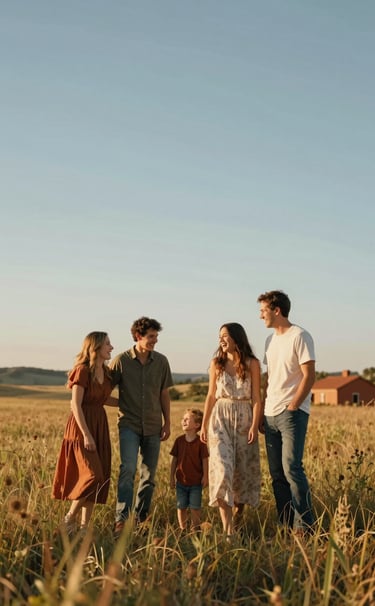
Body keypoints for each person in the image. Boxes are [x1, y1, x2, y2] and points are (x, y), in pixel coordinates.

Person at [257, 290, 315, 533]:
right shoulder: (270, 341)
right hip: (270, 414)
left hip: (292, 413)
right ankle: (286, 525)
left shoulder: (300, 335)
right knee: (277, 474)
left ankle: (306, 526)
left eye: (263, 311)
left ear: (276, 310)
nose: (261, 316)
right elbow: (269, 378)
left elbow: (308, 375)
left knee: (292, 468)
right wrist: (262, 411)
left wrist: (293, 405)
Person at [110, 316, 173, 537]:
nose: (155, 340)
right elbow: (103, 391)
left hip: (154, 425)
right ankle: (121, 519)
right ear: (138, 336)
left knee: (149, 475)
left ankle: (141, 518)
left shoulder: (162, 361)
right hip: (128, 424)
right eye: (151, 337)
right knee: (127, 469)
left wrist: (168, 422)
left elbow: (164, 394)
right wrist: (122, 403)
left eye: (156, 336)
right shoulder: (120, 361)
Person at [52, 331, 118, 534]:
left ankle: (83, 528)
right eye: (108, 344)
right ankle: (69, 519)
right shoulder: (82, 371)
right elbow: (76, 404)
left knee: (98, 480)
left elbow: (103, 399)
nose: (111, 347)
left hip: (99, 423)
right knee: (92, 475)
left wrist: (134, 405)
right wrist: (87, 435)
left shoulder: (106, 374)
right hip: (82, 427)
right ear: (96, 347)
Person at [201, 323, 262, 538]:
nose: (221, 339)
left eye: (225, 335)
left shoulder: (252, 363)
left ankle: (237, 520)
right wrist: (203, 424)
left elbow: (256, 397)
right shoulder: (216, 363)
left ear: (237, 338)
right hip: (220, 418)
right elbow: (210, 395)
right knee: (223, 471)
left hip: (245, 419)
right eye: (219, 336)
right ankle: (228, 532)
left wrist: (255, 425)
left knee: (241, 475)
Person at [170, 408, 209, 532]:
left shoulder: (201, 443)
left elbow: (205, 460)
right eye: (183, 419)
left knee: (195, 507)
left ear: (197, 425)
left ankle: (195, 529)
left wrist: (205, 476)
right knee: (181, 506)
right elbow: (174, 460)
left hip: (196, 483)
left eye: (187, 419)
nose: (183, 421)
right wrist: (171, 477)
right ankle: (183, 529)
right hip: (181, 482)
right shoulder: (179, 441)